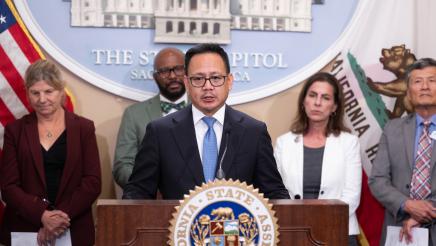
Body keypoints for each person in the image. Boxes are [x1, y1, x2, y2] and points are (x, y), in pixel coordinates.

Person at [123, 43, 289, 200]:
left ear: (229, 81)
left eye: (216, 78)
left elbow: (274, 192)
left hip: (236, 228)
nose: (208, 86)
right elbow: (137, 191)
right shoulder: (160, 132)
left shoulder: (253, 132)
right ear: (187, 83)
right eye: (198, 79)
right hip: (178, 228)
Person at [0, 60, 101, 246]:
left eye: (48, 91)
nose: (42, 99)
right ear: (27, 93)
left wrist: (57, 220)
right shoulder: (15, 130)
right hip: (25, 230)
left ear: (61, 91)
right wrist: (42, 215)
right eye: (35, 92)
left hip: (73, 228)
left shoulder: (84, 128)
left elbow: (92, 182)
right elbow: (8, 186)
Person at [274, 72, 362, 245]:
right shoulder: (284, 143)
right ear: (303, 101)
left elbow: (352, 196)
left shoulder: (349, 143)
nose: (317, 103)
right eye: (312, 95)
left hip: (338, 230)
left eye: (325, 97)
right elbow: (276, 192)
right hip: (293, 231)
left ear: (335, 106)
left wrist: (319, 223)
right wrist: (302, 224)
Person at [369, 58, 436, 245]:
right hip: (400, 230)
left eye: (432, 80)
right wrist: (408, 205)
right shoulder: (393, 129)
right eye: (417, 81)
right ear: (408, 92)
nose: (424, 87)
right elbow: (378, 180)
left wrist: (426, 213)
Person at [113, 47, 187, 188]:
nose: (172, 76)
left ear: (187, 72)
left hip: (196, 199)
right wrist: (147, 187)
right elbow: (122, 166)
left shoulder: (203, 109)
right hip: (148, 201)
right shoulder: (134, 114)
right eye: (164, 71)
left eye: (178, 69)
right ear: (155, 77)